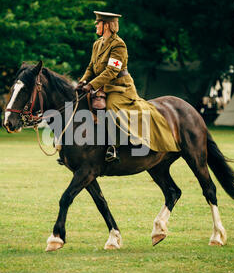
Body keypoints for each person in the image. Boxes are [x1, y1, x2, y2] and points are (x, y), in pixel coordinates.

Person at [76, 11, 180, 163]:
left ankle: (113, 147)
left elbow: (112, 70)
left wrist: (92, 84)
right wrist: (83, 82)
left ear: (106, 25)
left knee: (111, 107)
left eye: (98, 23)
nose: (96, 25)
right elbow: (91, 67)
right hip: (102, 87)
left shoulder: (118, 44)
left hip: (120, 88)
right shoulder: (97, 44)